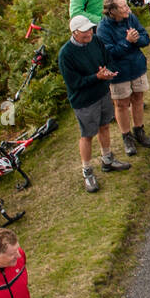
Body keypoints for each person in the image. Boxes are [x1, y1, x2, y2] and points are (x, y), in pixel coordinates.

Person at [57, 14, 130, 191]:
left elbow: (108, 60)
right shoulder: (66, 54)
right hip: (84, 101)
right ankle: (87, 171)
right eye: (84, 31)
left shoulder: (95, 40)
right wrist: (96, 77)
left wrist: (109, 72)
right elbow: (74, 83)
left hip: (102, 93)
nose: (89, 33)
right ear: (74, 33)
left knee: (104, 126)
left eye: (90, 29)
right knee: (87, 135)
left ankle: (107, 159)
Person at [97, 0, 150, 157]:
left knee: (138, 99)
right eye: (122, 7)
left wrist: (136, 40)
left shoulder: (131, 18)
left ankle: (139, 131)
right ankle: (126, 137)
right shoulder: (103, 28)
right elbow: (109, 54)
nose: (127, 9)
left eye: (126, 5)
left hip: (136, 67)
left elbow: (145, 38)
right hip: (119, 73)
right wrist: (127, 41)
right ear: (112, 11)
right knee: (121, 105)